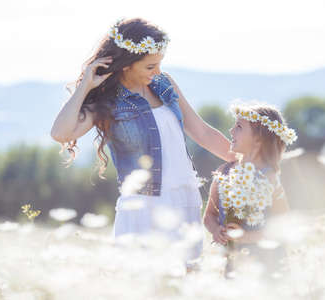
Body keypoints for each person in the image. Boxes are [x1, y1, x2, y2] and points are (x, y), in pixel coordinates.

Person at [50, 18, 235, 264]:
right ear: (127, 65)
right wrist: (85, 85)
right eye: (150, 67)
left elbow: (203, 133)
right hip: (143, 206)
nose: (157, 71)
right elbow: (60, 133)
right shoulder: (106, 103)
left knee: (187, 282)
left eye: (159, 64)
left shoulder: (164, 84)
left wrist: (251, 163)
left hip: (185, 197)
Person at [203, 102, 297, 278]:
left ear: (258, 139)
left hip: (268, 264)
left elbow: (283, 226)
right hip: (232, 262)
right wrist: (216, 230)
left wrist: (245, 237)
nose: (231, 131)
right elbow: (209, 215)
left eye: (238, 127)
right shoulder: (224, 173)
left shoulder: (269, 178)